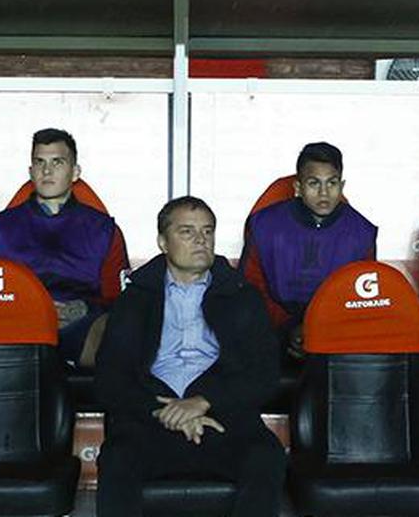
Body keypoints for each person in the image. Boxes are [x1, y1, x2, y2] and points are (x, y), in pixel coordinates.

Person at [95, 196, 285, 517]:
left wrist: (202, 401)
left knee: (266, 457)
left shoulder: (242, 295)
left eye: (207, 232)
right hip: (151, 419)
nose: (201, 240)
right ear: (162, 242)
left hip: (222, 418)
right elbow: (110, 379)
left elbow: (264, 375)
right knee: (117, 459)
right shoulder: (136, 298)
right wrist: (167, 410)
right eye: (187, 232)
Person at [0, 128, 128, 368]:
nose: (47, 171)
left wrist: (82, 308)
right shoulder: (0, 227)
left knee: (119, 328)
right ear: (31, 172)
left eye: (57, 162)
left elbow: (118, 298)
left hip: (82, 323)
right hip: (16, 324)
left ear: (75, 172)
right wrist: (29, 308)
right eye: (40, 162)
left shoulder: (104, 230)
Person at [241, 142, 376, 360]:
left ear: (341, 186)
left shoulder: (361, 232)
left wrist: (317, 328)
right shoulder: (264, 225)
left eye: (331, 183)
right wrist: (289, 327)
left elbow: (360, 298)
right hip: (273, 326)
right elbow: (251, 287)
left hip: (335, 331)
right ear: (297, 188)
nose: (324, 192)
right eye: (314, 183)